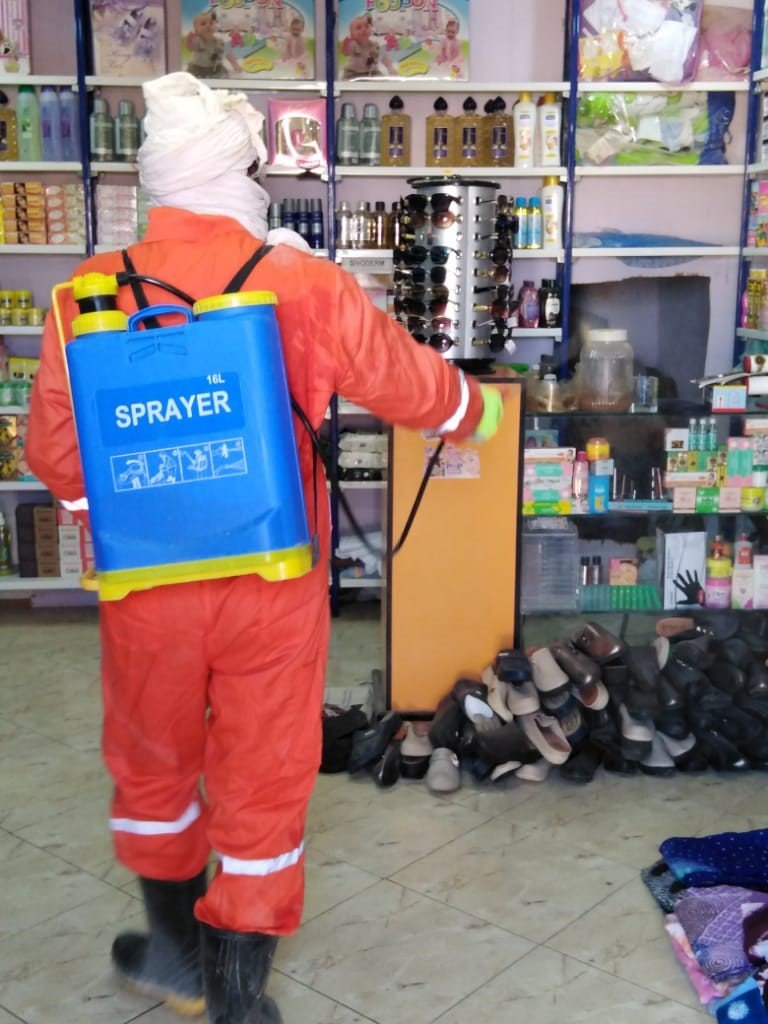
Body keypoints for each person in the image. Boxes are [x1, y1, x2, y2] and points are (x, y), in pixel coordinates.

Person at [26, 72, 502, 1024]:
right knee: (261, 772)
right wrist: (475, 410)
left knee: (153, 759)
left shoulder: (82, 289)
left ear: (159, 182)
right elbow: (407, 382)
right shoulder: (300, 280)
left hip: (145, 583)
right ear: (240, 175)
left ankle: (174, 956)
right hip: (270, 579)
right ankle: (241, 999)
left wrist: (111, 508)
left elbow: (55, 453)